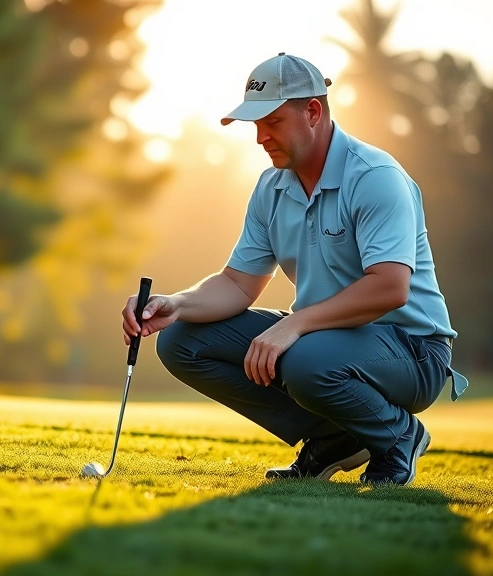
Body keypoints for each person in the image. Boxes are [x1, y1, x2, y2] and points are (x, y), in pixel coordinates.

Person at [121, 53, 469, 486]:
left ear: (313, 112)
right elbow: (238, 284)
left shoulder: (375, 176)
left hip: (413, 350)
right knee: (181, 341)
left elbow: (390, 288)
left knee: (304, 359)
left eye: (272, 122)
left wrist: (294, 325)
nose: (260, 138)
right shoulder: (271, 187)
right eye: (256, 125)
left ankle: (398, 435)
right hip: (322, 342)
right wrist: (177, 303)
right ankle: (335, 436)